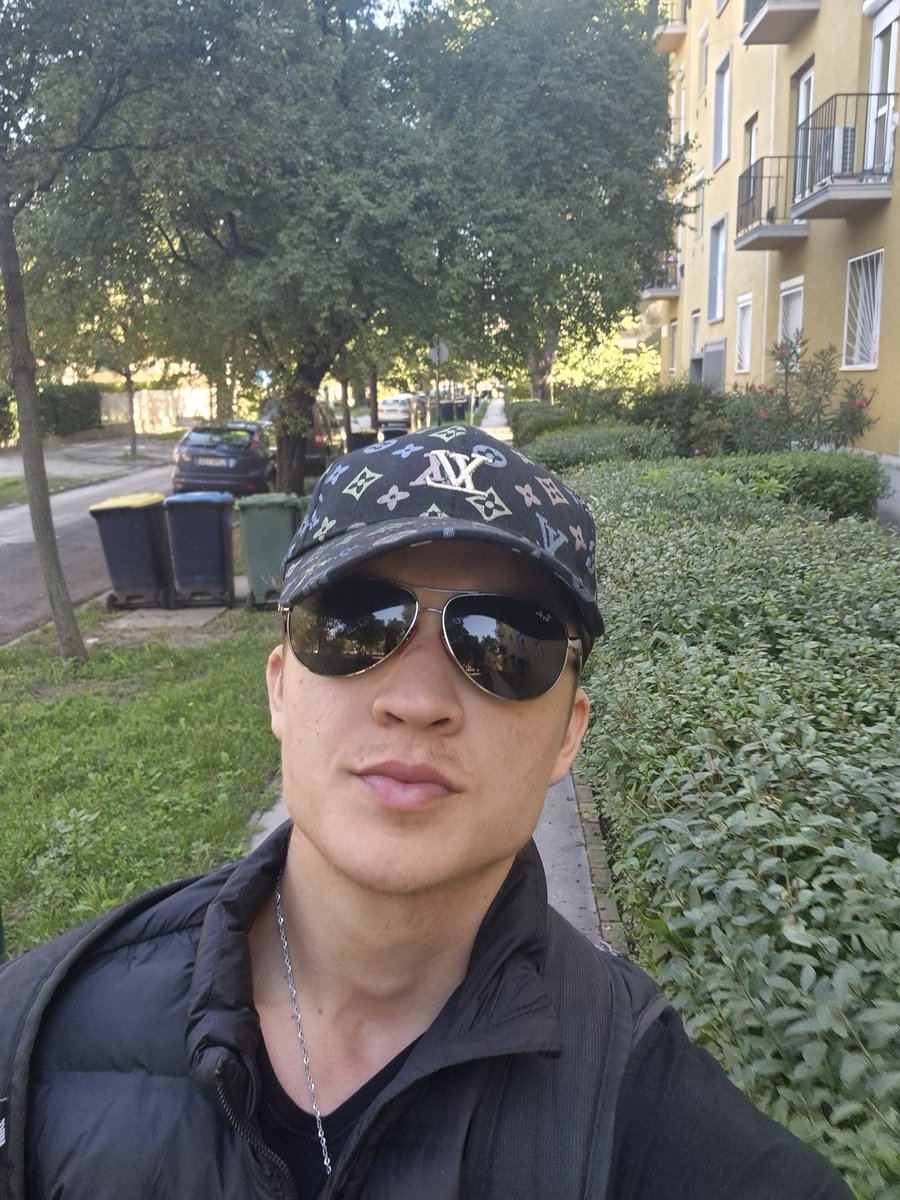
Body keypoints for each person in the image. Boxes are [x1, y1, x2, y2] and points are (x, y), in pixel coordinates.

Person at [0, 425, 851, 1200]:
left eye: (506, 643)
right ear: (280, 690)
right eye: (353, 622)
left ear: (568, 734)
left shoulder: (646, 1109)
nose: (416, 701)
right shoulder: (32, 1039)